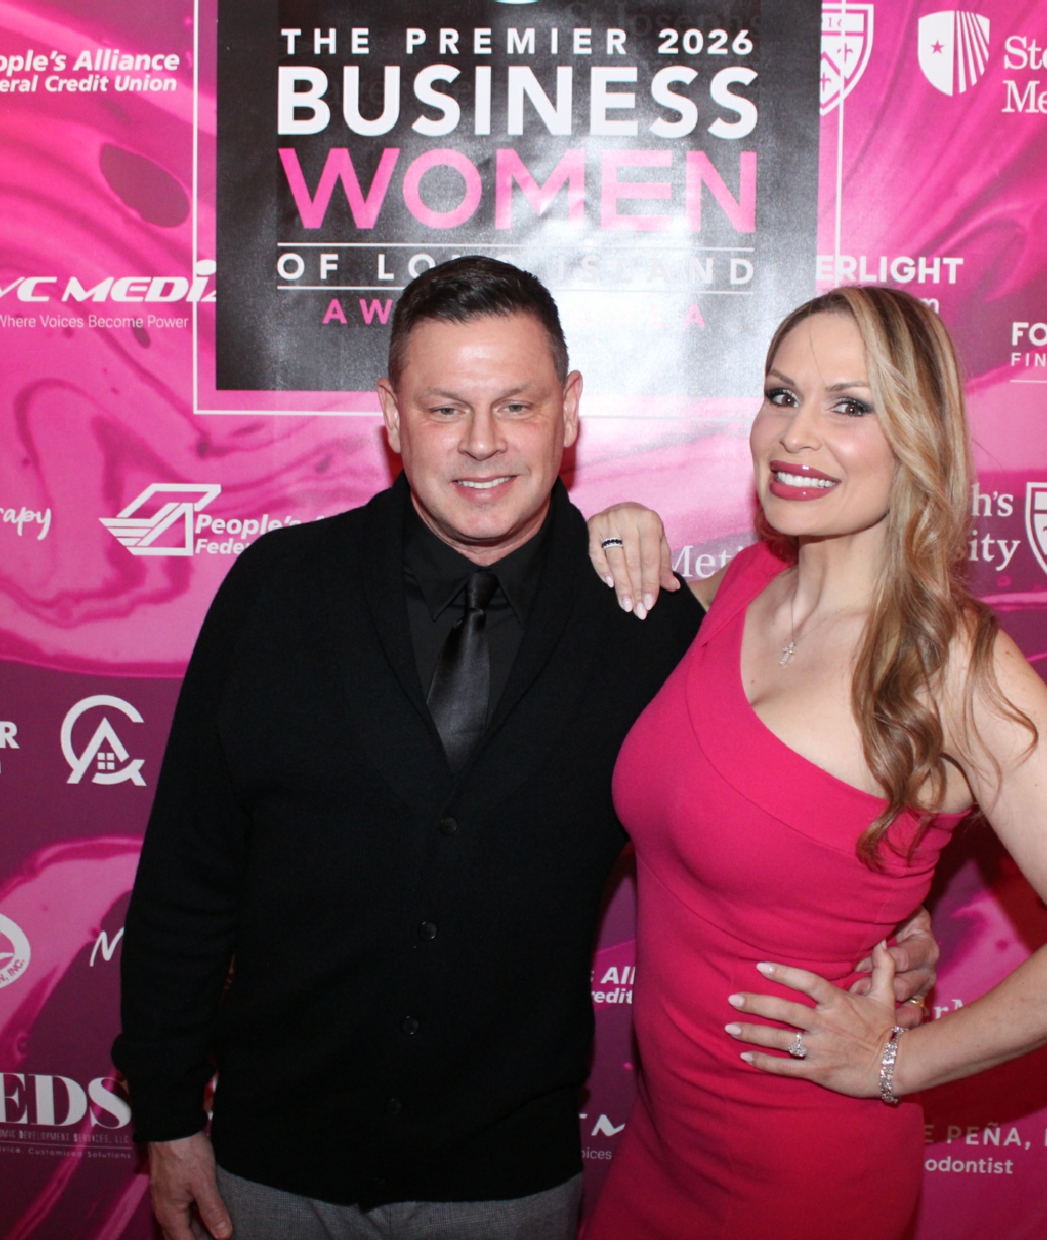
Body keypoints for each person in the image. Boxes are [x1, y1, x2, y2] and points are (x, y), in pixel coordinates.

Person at [111, 258, 940, 1240]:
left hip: (506, 1185)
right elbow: (188, 872)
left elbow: (774, 805)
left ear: (569, 410)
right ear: (390, 414)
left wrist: (892, 917)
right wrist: (166, 1110)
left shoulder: (648, 626)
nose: (481, 443)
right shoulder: (278, 590)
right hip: (268, 1170)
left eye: (516, 405)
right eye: (444, 408)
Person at [582, 286, 1047, 1240]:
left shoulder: (951, 666)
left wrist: (897, 1064)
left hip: (801, 1176)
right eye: (782, 395)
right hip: (662, 1147)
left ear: (916, 438)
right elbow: (603, 635)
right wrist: (613, 530)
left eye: (850, 406)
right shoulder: (742, 588)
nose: (795, 434)